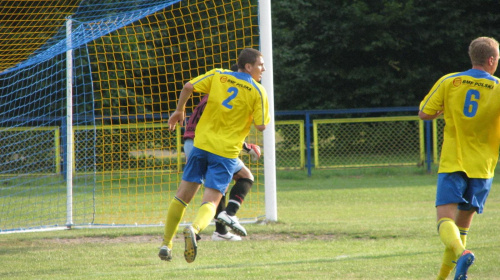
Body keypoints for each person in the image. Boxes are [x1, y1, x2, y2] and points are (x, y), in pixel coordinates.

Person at [159, 48, 270, 263]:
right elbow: (262, 125)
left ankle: (166, 244)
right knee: (211, 200)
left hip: (200, 145)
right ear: (248, 67)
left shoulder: (219, 75)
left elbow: (188, 86)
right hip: (225, 152)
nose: (263, 69)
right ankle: (194, 228)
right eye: (260, 65)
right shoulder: (258, 91)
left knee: (182, 196)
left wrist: (179, 110)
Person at [418, 36, 500, 280]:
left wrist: (442, 110)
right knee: (461, 228)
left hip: (454, 161)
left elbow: (424, 113)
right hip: (483, 167)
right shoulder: (498, 87)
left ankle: (462, 255)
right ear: (491, 60)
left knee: (445, 221)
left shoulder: (450, 81)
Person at [183, 91, 261, 241]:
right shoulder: (225, 98)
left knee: (217, 188)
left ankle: (220, 231)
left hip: (189, 144)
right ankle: (228, 214)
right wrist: (246, 147)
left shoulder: (210, 95)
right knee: (245, 176)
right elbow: (221, 128)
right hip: (206, 145)